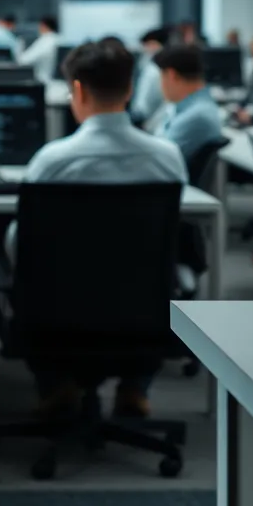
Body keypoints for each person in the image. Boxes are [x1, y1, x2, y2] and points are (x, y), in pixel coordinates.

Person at [16, 38, 186, 419]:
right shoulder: (167, 158)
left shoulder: (50, 162)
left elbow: (22, 245)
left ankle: (58, 385)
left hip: (57, 313)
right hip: (143, 312)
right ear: (130, 88)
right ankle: (134, 387)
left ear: (77, 89)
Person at [153, 45, 224, 164]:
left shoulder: (197, 116)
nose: (160, 85)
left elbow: (157, 161)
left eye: (161, 77)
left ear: (172, 75)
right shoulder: (188, 108)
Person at [131, 27, 170, 125]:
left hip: (149, 121)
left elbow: (144, 107)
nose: (145, 49)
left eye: (148, 44)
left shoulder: (153, 71)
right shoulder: (149, 68)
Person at [17, 15, 60, 83]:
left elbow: (23, 60)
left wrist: (19, 46)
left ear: (43, 25)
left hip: (44, 82)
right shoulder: (60, 40)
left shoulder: (44, 41)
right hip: (61, 84)